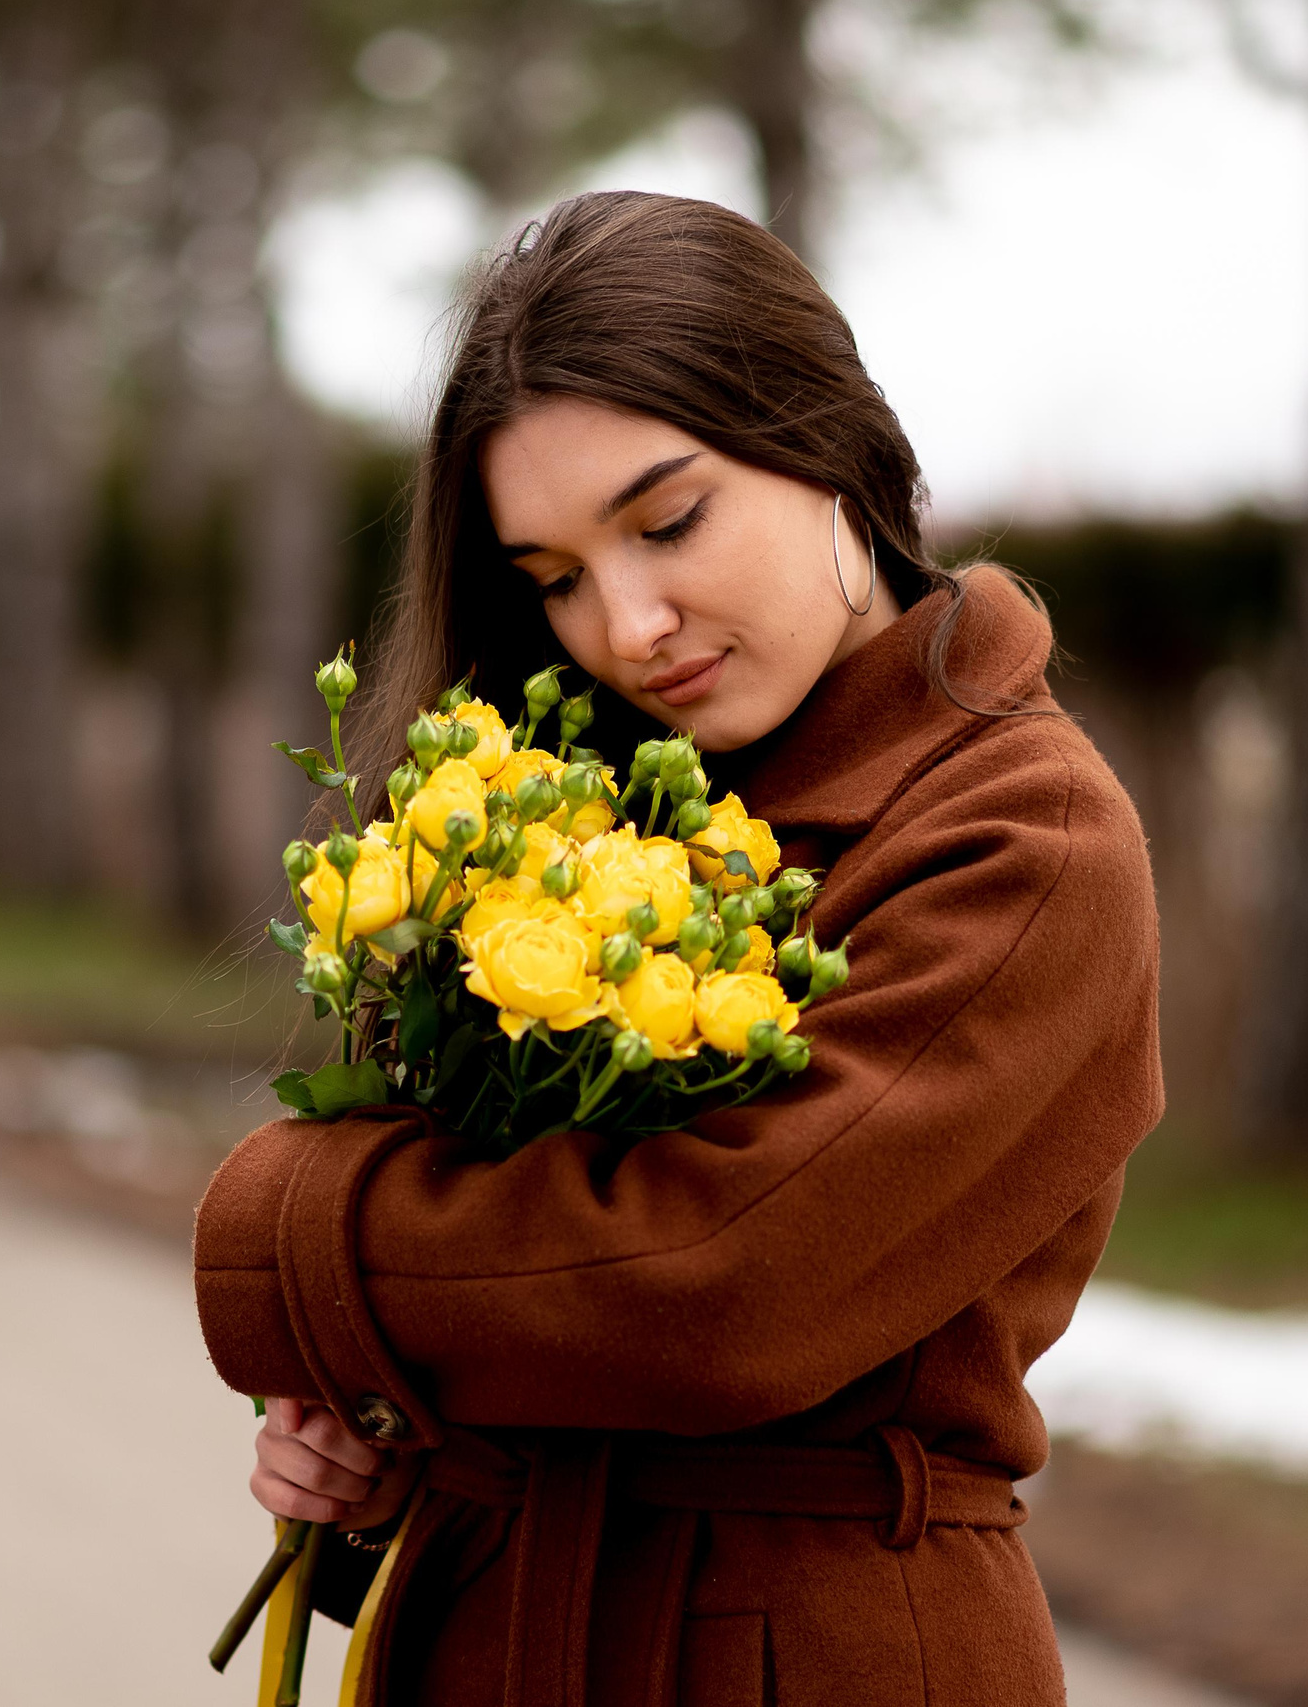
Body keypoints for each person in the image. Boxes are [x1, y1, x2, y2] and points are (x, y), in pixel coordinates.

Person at [195, 190, 1163, 1706]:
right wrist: (407, 1456)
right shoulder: (568, 805)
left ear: (826, 436)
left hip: (817, 1658)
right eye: (557, 578)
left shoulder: (1026, 837)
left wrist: (291, 1223)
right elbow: (563, 1308)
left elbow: (717, 1281)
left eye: (668, 521)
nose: (627, 625)